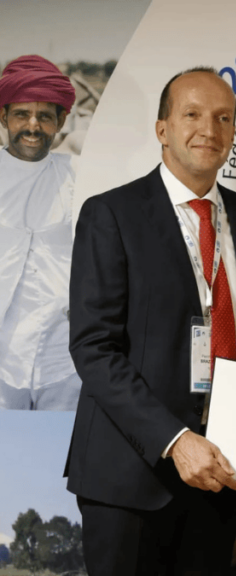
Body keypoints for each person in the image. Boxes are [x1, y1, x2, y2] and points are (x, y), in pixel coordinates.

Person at [66, 67, 236, 575]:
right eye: (192, 114)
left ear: (234, 132)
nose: (208, 129)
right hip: (130, 478)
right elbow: (93, 348)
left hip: (218, 474)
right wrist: (174, 439)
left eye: (222, 118)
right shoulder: (111, 214)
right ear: (162, 128)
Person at [0, 54, 81, 410]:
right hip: (3, 361)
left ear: (61, 121)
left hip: (62, 361)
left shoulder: (79, 176)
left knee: (59, 461)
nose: (33, 126)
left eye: (45, 117)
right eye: (21, 114)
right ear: (3, 116)